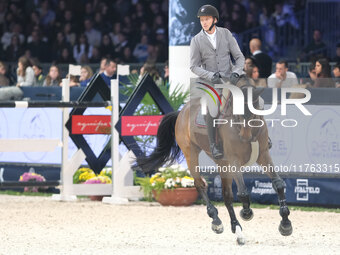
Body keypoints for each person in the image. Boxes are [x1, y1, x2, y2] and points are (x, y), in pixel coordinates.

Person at [190, 4, 245, 159]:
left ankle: (261, 135)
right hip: (211, 82)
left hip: (231, 77)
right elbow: (193, 66)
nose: (204, 22)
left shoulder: (226, 34)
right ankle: (213, 145)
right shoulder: (196, 40)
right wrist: (209, 75)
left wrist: (236, 72)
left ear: (214, 19)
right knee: (211, 109)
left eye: (206, 19)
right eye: (201, 20)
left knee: (252, 96)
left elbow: (239, 57)